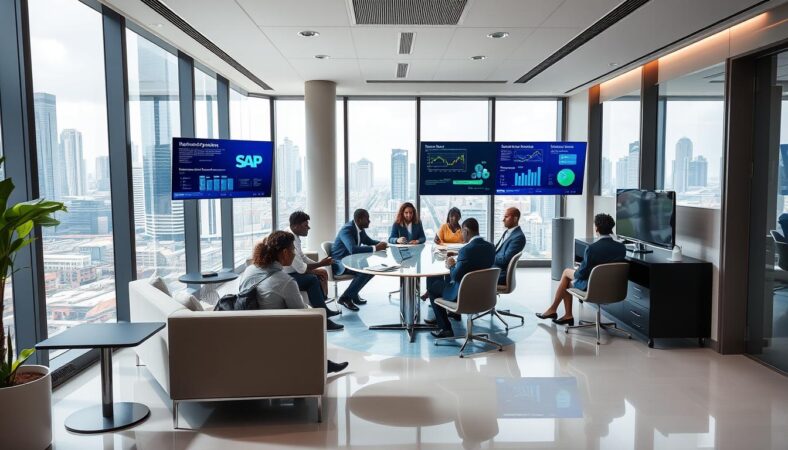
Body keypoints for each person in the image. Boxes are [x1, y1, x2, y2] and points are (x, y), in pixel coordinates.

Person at [238, 231, 348, 373]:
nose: (295, 253)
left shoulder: (250, 269)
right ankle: (322, 364)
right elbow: (303, 317)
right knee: (312, 322)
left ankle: (324, 363)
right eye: (292, 249)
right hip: (274, 333)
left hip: (249, 328)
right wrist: (313, 311)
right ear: (284, 252)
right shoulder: (285, 281)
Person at [536, 213, 626, 326]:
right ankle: (560, 313)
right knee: (568, 275)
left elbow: (581, 274)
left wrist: (577, 269)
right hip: (613, 288)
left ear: (596, 228)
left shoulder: (592, 249)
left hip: (593, 287)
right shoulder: (621, 248)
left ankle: (556, 311)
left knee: (566, 275)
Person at [426, 218, 496, 338]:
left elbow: (455, 275)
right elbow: (476, 263)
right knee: (444, 281)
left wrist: (451, 264)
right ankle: (454, 315)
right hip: (483, 293)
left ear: (466, 231)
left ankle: (445, 328)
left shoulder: (466, 250)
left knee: (431, 283)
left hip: (462, 295)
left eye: (461, 232)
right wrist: (459, 260)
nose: (461, 234)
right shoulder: (490, 247)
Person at [285, 210, 344, 331]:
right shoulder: (289, 240)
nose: (309, 228)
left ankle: (324, 311)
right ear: (295, 226)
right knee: (312, 279)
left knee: (318, 275)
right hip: (286, 275)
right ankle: (324, 321)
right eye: (305, 225)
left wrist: (319, 265)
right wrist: (321, 264)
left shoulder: (294, 236)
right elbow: (301, 268)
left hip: (292, 271)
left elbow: (302, 257)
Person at [331, 208, 388, 311]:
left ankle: (353, 294)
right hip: (340, 263)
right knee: (364, 272)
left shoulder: (359, 229)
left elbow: (368, 241)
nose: (369, 221)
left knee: (371, 271)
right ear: (359, 219)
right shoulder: (347, 230)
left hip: (350, 261)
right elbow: (353, 249)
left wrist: (383, 244)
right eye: (367, 218)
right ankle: (345, 298)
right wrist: (376, 248)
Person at [493, 207, 526, 285]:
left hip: (499, 273)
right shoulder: (508, 232)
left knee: (467, 273)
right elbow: (498, 250)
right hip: (495, 267)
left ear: (515, 219)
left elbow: (504, 260)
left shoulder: (518, 237)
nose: (503, 220)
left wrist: (488, 257)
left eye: (506, 217)